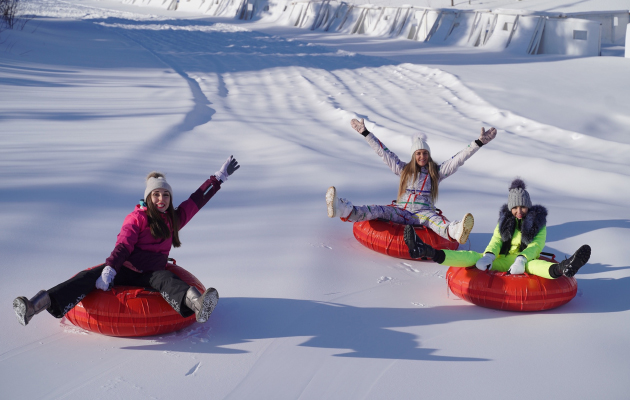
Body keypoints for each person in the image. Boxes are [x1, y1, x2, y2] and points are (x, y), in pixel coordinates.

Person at [13, 156, 240, 327]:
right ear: (149, 197)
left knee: (168, 280)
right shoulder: (138, 217)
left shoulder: (174, 218)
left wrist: (218, 178)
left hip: (153, 273)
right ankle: (34, 306)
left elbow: (197, 200)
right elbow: (124, 244)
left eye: (166, 195)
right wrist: (111, 268)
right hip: (125, 268)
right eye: (156, 195)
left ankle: (198, 305)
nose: (161, 199)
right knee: (86, 278)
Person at [326, 118, 497, 244]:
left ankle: (456, 230)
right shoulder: (403, 170)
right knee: (379, 210)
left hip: (424, 213)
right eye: (418, 153)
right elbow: (383, 152)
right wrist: (365, 133)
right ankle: (342, 208)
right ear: (414, 156)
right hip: (402, 210)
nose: (422, 156)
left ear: (428, 155)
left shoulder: (435, 172)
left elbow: (458, 159)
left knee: (436, 222)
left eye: (425, 153)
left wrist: (478, 143)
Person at [403, 178, 591, 279]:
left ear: (529, 207)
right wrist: (489, 256)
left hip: (524, 261)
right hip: (501, 260)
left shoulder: (537, 224)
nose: (519, 211)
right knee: (472, 257)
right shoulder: (504, 222)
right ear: (510, 208)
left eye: (523, 207)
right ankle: (427, 251)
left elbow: (536, 246)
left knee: (535, 266)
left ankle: (564, 268)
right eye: (515, 208)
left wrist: (521, 259)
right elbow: (496, 240)